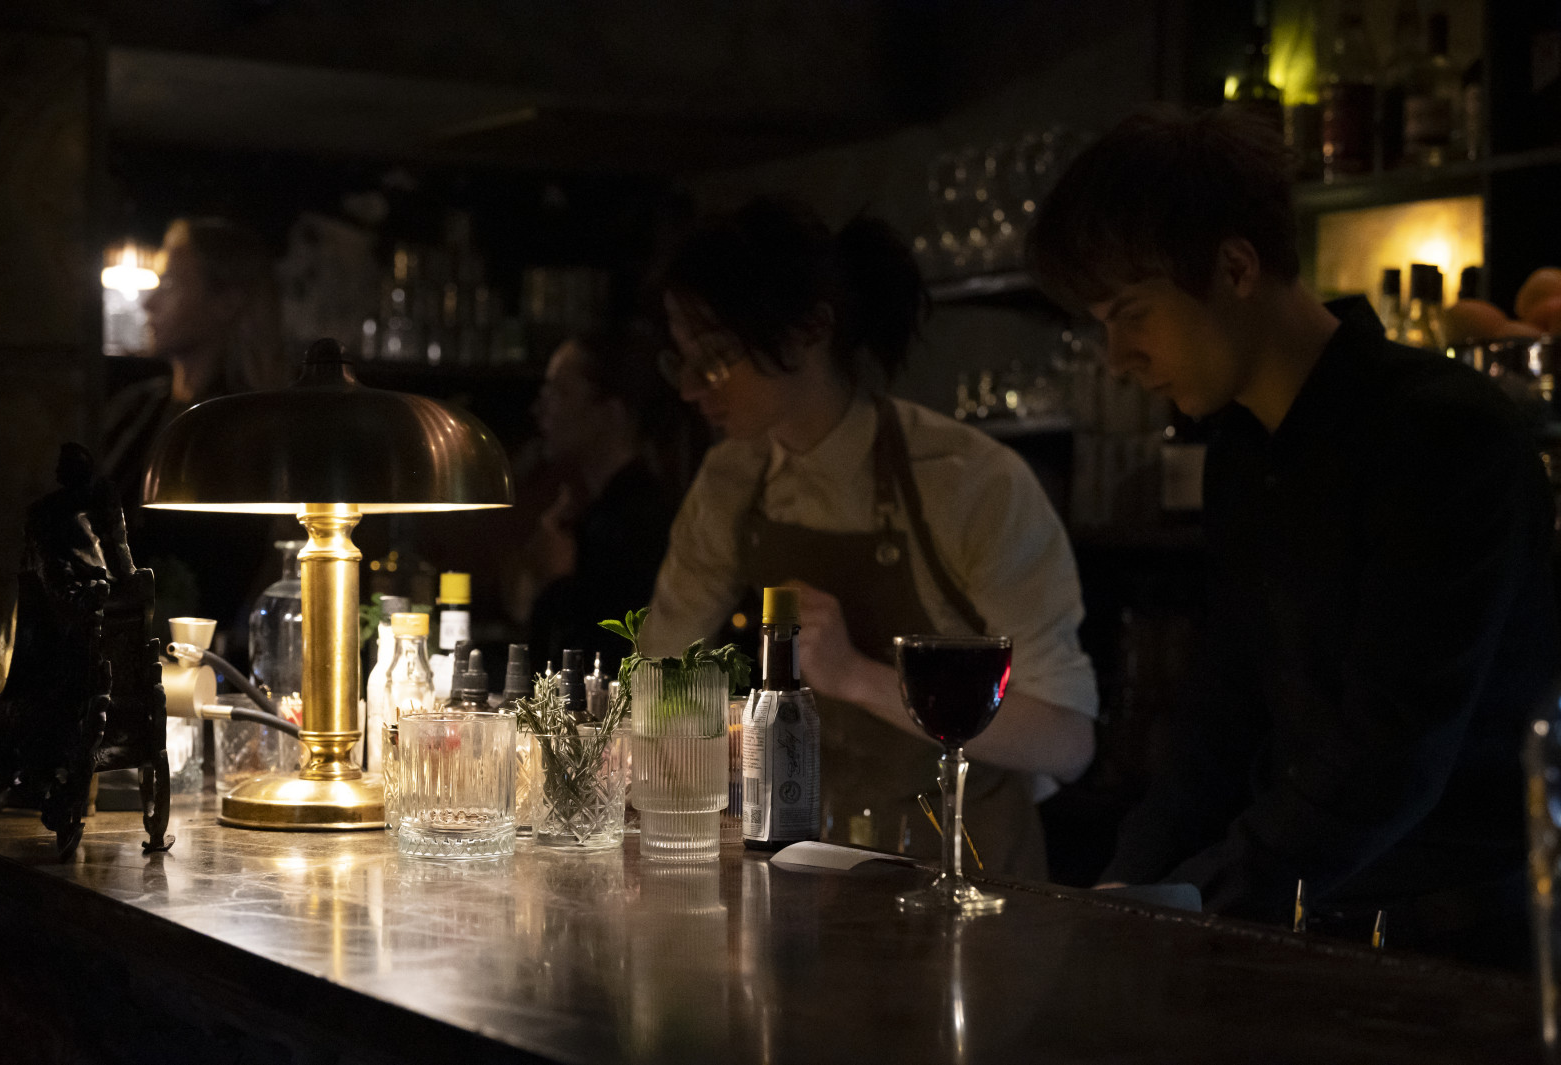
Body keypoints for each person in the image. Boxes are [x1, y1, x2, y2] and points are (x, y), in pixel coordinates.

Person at [1029, 106, 1559, 967]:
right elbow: (1223, 703)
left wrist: (1193, 896)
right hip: (1305, 927)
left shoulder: (1442, 434)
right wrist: (1129, 881)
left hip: (1456, 952)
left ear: (1236, 267)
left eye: (1132, 313)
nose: (1117, 356)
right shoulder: (1244, 451)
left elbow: (1392, 749)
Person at [641, 195, 1098, 879]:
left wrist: (854, 675)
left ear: (811, 329)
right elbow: (663, 672)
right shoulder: (733, 479)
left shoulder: (967, 480)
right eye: (681, 360)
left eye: (716, 357)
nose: (690, 388)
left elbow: (1064, 738)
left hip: (964, 870)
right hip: (810, 859)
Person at [100, 217, 291, 660]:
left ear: (226, 301)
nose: (148, 302)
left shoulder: (246, 426)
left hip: (200, 660)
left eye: (169, 284)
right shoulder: (135, 409)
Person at [520, 328, 679, 674]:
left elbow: (608, 657)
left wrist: (558, 583)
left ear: (612, 412)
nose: (540, 408)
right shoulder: (595, 510)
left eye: (560, 392)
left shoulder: (635, 521)